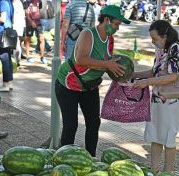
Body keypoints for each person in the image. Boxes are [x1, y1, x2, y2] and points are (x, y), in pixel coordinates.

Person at [55, 5, 131, 156]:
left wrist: (118, 68)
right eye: (116, 24)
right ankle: (63, 159)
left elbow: (105, 61)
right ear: (107, 20)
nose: (117, 28)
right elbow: (80, 59)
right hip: (68, 84)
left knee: (94, 123)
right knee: (71, 125)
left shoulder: (109, 39)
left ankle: (91, 158)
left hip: (89, 86)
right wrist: (107, 64)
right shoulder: (88, 34)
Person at [132, 20, 179, 174]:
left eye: (155, 39)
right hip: (157, 99)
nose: (153, 42)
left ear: (165, 36)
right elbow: (153, 72)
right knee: (155, 135)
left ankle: (167, 172)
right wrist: (133, 76)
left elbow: (173, 76)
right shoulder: (161, 50)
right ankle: (154, 170)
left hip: (171, 101)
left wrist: (147, 82)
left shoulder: (175, 49)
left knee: (169, 137)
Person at [0, 0, 14, 92]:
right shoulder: (9, 2)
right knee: (7, 58)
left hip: (1, 33)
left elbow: (2, 19)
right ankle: (9, 83)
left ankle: (6, 84)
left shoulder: (3, 2)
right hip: (8, 32)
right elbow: (12, 19)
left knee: (4, 58)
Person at [24, 0, 47, 64]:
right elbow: (26, 14)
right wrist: (31, 22)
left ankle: (42, 57)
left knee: (41, 39)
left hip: (38, 23)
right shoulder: (27, 2)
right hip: (29, 23)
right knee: (28, 39)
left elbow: (40, 12)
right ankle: (28, 56)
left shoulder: (40, 2)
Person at [13, 0, 26, 67]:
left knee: (16, 44)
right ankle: (17, 60)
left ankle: (16, 61)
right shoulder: (18, 3)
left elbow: (15, 16)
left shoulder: (17, 3)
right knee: (17, 44)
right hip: (18, 26)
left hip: (17, 26)